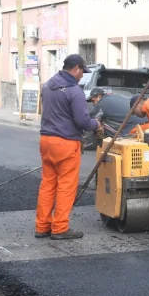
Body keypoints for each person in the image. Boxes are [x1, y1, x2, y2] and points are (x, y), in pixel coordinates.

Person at [36, 54, 101, 240]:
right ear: (76, 69)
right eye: (82, 72)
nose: (82, 76)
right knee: (66, 186)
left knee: (48, 184)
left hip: (46, 140)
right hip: (65, 143)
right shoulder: (74, 90)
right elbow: (83, 121)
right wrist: (96, 125)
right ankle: (60, 228)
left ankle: (42, 226)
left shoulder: (48, 85)